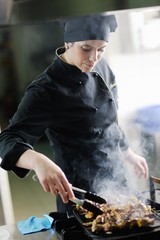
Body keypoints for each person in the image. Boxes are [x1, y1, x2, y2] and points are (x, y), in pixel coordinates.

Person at [0, 13, 148, 213]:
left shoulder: (102, 67)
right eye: (86, 48)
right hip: (80, 193)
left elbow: (108, 122)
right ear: (68, 42)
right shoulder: (46, 89)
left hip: (117, 180)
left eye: (101, 49)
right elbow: (7, 139)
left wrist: (128, 152)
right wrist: (37, 160)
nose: (94, 58)